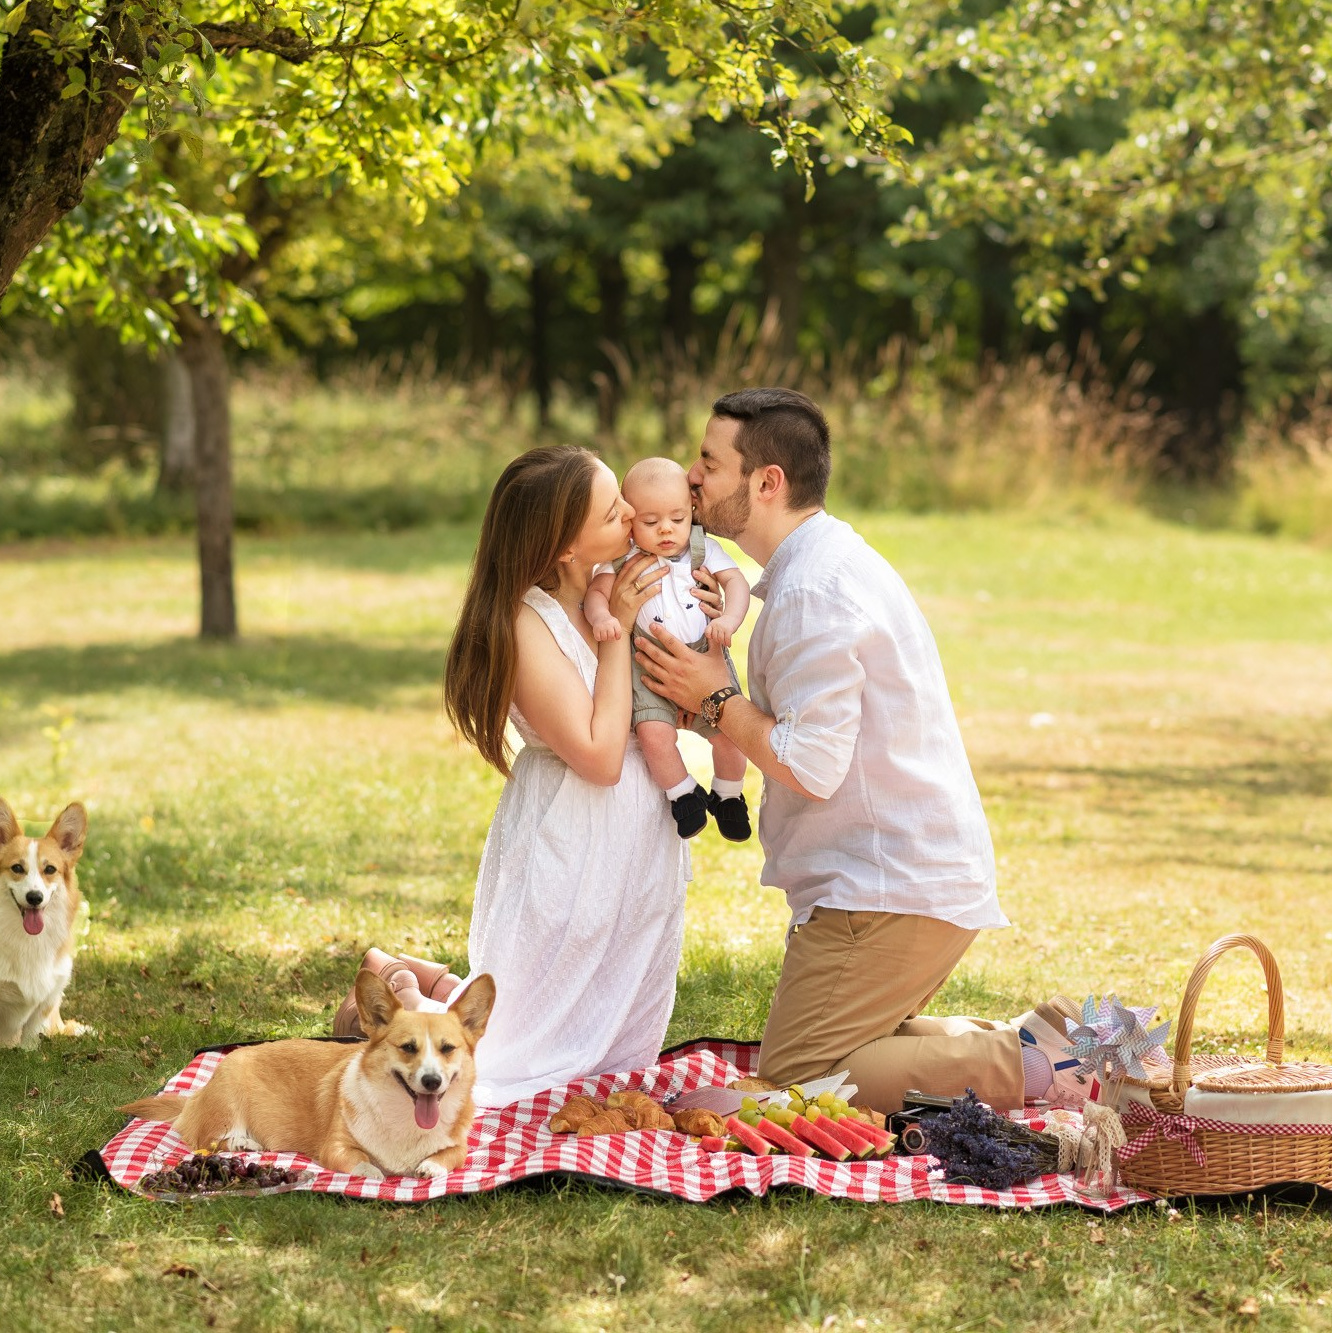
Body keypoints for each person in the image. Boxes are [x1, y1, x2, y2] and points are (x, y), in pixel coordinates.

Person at [632, 388, 1085, 1113]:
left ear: (766, 481)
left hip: (886, 891)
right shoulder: (813, 566)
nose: (690, 476)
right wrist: (689, 699)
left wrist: (718, 699)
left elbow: (811, 764)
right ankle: (1052, 1036)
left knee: (798, 1081)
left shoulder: (817, 589)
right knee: (849, 1053)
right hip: (895, 881)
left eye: (709, 462)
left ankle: (1036, 1062)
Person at [336, 445, 690, 1107]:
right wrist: (621, 636)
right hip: (572, 838)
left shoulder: (612, 578)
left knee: (607, 1056)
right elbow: (599, 755)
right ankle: (397, 995)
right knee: (503, 1061)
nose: (631, 515)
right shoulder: (530, 624)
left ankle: (416, 978)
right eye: (614, 511)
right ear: (563, 547)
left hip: (634, 856)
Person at [584, 457, 752, 841]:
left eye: (677, 519)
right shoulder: (623, 556)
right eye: (649, 521)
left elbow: (737, 583)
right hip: (648, 662)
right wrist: (601, 618)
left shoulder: (701, 548)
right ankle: (682, 793)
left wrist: (729, 620)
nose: (665, 530)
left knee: (731, 732)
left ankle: (728, 794)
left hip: (704, 652)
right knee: (653, 734)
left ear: (691, 511)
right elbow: (598, 592)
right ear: (630, 519)